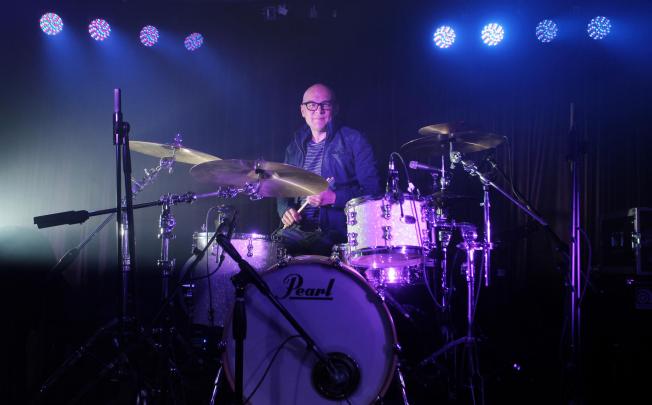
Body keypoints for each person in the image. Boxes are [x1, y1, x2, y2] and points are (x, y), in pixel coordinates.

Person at [273, 83, 381, 256]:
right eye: (312, 105)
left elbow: (373, 192)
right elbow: (282, 190)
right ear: (303, 111)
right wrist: (285, 209)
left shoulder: (355, 140)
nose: (318, 110)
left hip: (336, 231)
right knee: (271, 254)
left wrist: (334, 198)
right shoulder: (294, 147)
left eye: (326, 104)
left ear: (335, 109)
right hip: (297, 230)